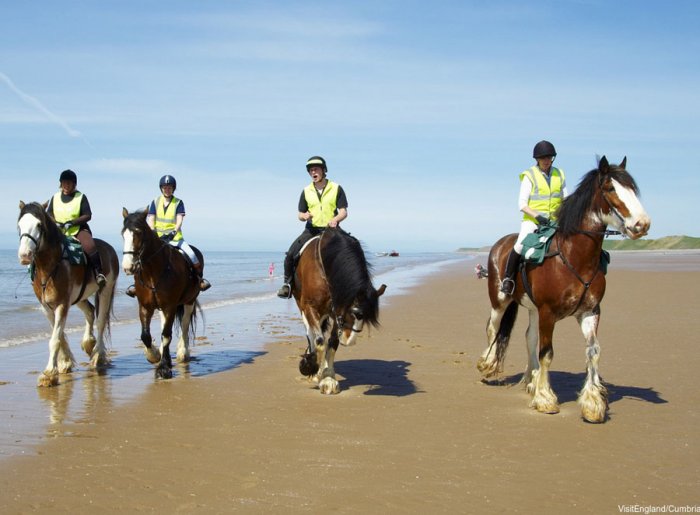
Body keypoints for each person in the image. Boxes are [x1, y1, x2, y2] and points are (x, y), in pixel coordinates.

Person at [500, 140, 568, 295]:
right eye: (543, 158)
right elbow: (522, 205)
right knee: (519, 245)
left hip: (556, 222)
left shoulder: (560, 174)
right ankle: (508, 279)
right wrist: (539, 217)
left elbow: (566, 199)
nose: (546, 161)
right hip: (533, 221)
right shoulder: (529, 176)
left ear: (552, 158)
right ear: (537, 159)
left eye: (549, 157)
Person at [125, 175, 210, 297]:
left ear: (173, 189)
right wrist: (152, 231)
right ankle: (136, 284)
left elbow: (179, 219)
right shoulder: (155, 202)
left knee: (192, 255)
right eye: (165, 187)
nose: (167, 190)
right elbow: (151, 218)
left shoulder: (178, 202)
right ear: (161, 188)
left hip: (175, 238)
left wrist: (174, 231)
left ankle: (199, 280)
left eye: (169, 188)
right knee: (142, 257)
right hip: (157, 238)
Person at [277, 156, 348, 298]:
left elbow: (343, 212)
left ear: (323, 170)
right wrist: (304, 216)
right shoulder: (306, 191)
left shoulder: (336, 188)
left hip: (331, 229)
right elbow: (300, 214)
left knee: (352, 250)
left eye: (316, 169)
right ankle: (288, 284)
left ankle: (357, 285)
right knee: (290, 254)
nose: (313, 172)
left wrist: (335, 219)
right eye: (310, 170)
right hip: (312, 230)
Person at [46, 169, 107, 288]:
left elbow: (88, 215)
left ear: (74, 184)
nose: (66, 186)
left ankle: (99, 273)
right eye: (64, 183)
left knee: (89, 246)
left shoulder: (81, 197)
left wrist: (72, 222)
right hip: (59, 230)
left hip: (78, 229)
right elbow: (49, 213)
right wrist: (55, 222)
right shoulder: (55, 197)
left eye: (68, 183)